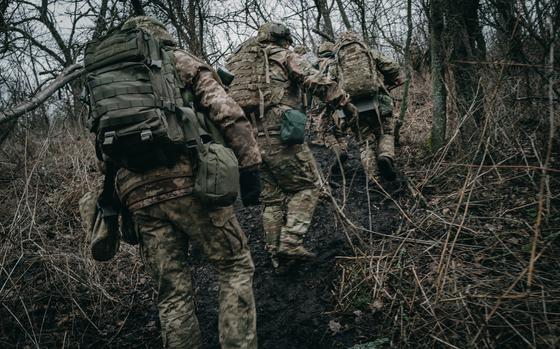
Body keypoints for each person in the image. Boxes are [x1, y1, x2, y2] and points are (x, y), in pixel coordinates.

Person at [86, 16, 260, 348]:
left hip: (137, 194)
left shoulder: (103, 83)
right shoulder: (177, 60)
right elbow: (227, 111)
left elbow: (101, 154)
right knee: (234, 264)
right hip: (189, 179)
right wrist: (250, 165)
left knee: (172, 291)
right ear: (162, 36)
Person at [226, 22, 357, 270]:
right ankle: (291, 241)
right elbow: (314, 80)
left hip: (247, 139)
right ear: (282, 39)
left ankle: (276, 256)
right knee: (308, 186)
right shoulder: (283, 55)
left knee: (272, 201)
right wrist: (344, 102)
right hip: (280, 135)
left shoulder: (237, 63)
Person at [332, 31, 403, 182]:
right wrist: (391, 79)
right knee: (386, 131)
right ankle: (385, 156)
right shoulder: (369, 52)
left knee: (364, 141)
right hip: (377, 101)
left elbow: (330, 84)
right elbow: (393, 67)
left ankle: (374, 178)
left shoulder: (336, 61)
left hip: (351, 107)